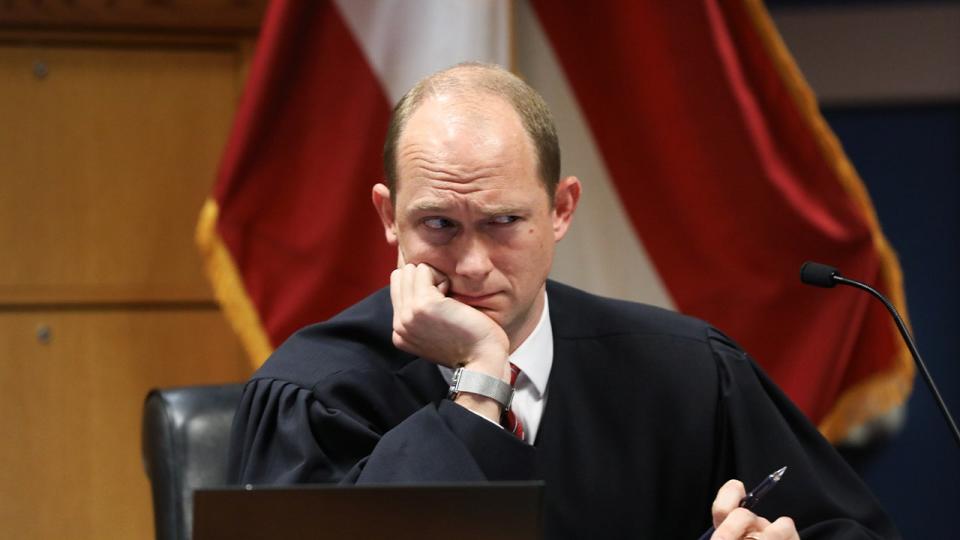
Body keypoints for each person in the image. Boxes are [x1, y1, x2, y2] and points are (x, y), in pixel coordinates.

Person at [227, 63, 898, 539]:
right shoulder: (314, 394)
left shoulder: (687, 372)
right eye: (438, 225)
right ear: (388, 217)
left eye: (502, 223)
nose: (472, 264)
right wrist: (480, 382)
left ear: (561, 210)